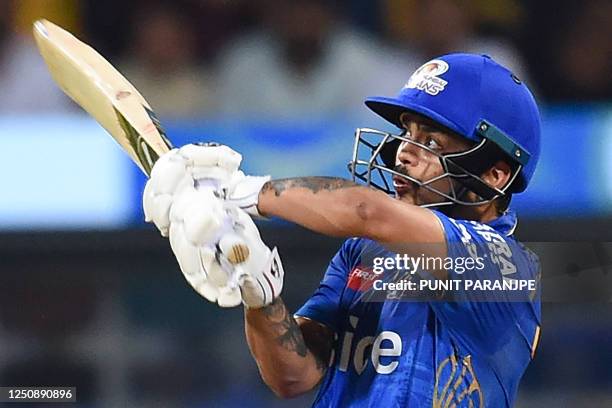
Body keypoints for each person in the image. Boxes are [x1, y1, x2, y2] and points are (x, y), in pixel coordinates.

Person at [143, 53, 541, 407]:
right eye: (408, 133)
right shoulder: (364, 252)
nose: (403, 152)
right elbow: (293, 374)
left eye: (431, 142)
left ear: (495, 174)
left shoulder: (505, 268)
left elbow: (366, 210)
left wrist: (242, 192)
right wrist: (259, 290)